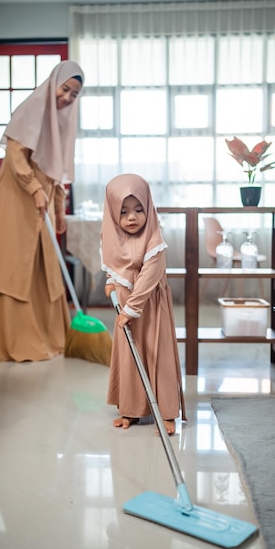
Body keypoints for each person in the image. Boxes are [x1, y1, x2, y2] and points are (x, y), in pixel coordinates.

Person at [0, 60, 84, 361]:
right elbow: (16, 157)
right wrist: (34, 188)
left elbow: (55, 175)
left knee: (45, 266)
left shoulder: (62, 123)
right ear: (53, 83)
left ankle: (47, 336)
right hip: (17, 196)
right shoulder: (29, 110)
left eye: (73, 95)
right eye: (64, 89)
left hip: (43, 202)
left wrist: (59, 210)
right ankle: (9, 341)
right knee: (15, 263)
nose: (66, 98)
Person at [101, 173, 186, 435]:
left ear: (148, 207)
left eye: (139, 209)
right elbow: (116, 265)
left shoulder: (154, 240)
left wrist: (131, 309)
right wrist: (111, 281)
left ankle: (167, 413)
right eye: (124, 211)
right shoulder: (111, 236)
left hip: (148, 308)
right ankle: (131, 410)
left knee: (155, 353)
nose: (132, 217)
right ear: (113, 212)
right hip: (126, 309)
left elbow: (150, 276)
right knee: (130, 356)